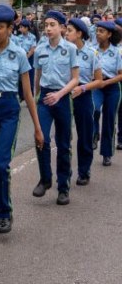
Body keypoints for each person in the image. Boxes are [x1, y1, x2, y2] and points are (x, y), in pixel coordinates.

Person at [0, 5, 43, 235]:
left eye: (0, 27)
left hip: (9, 109)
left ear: (10, 29)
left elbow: (27, 93)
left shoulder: (18, 53)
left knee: (0, 163)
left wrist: (37, 127)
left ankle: (5, 213)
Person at [32, 10, 79, 205]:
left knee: (63, 143)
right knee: (40, 137)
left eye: (53, 25)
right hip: (44, 96)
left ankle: (63, 187)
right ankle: (45, 178)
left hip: (62, 96)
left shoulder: (70, 49)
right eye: (46, 25)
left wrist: (60, 94)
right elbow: (37, 75)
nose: (48, 28)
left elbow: (75, 78)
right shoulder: (40, 49)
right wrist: (36, 97)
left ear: (62, 27)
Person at [66, 18, 102, 186]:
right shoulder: (63, 51)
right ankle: (64, 172)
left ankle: (84, 171)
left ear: (79, 33)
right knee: (64, 135)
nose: (66, 33)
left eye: (70, 31)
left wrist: (83, 88)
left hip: (83, 94)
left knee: (85, 135)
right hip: (65, 93)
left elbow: (99, 80)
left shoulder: (91, 53)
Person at [91, 21, 122, 165]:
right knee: (94, 109)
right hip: (96, 86)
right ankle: (94, 133)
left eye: (101, 31)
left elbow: (121, 75)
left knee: (109, 120)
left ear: (109, 34)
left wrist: (106, 82)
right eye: (97, 31)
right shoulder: (92, 50)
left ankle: (107, 153)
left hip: (112, 87)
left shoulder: (117, 52)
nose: (98, 34)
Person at [16, 19, 36, 100]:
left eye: (22, 27)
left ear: (27, 28)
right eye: (20, 27)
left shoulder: (32, 37)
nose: (20, 29)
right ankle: (21, 96)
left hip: (29, 58)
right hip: (20, 59)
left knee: (30, 77)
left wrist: (26, 57)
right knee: (20, 78)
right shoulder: (18, 37)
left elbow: (33, 48)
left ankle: (30, 96)